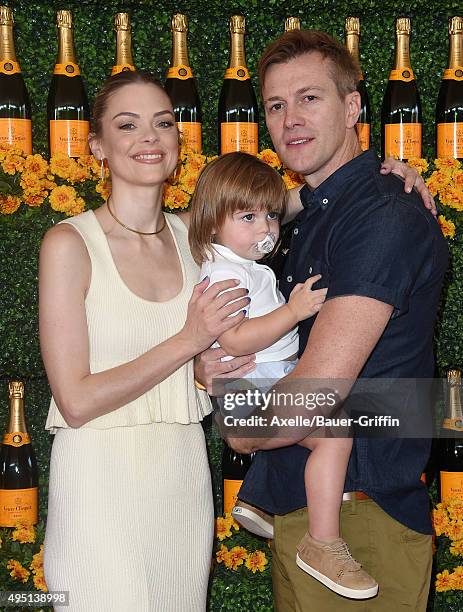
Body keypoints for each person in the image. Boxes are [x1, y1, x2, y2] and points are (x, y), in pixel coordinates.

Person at [196, 30, 448, 611]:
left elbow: (317, 392)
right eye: (276, 106)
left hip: (360, 517)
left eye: (310, 98)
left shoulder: (381, 215)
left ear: (353, 106)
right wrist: (210, 365)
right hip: (310, 509)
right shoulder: (313, 212)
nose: (290, 120)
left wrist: (238, 421)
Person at [39, 70, 253, 612]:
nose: (149, 137)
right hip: (100, 486)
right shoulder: (68, 243)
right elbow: (77, 400)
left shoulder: (196, 239)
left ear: (179, 142)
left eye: (163, 122)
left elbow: (282, 206)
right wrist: (190, 341)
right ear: (97, 148)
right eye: (127, 125)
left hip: (181, 479)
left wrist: (380, 174)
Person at [189, 150, 378, 599]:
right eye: (249, 217)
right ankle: (322, 539)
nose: (266, 229)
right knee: (335, 433)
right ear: (213, 222)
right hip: (251, 390)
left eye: (271, 216)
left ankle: (268, 504)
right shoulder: (225, 274)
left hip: (262, 382)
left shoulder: (241, 265)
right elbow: (233, 339)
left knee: (330, 436)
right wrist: (293, 312)